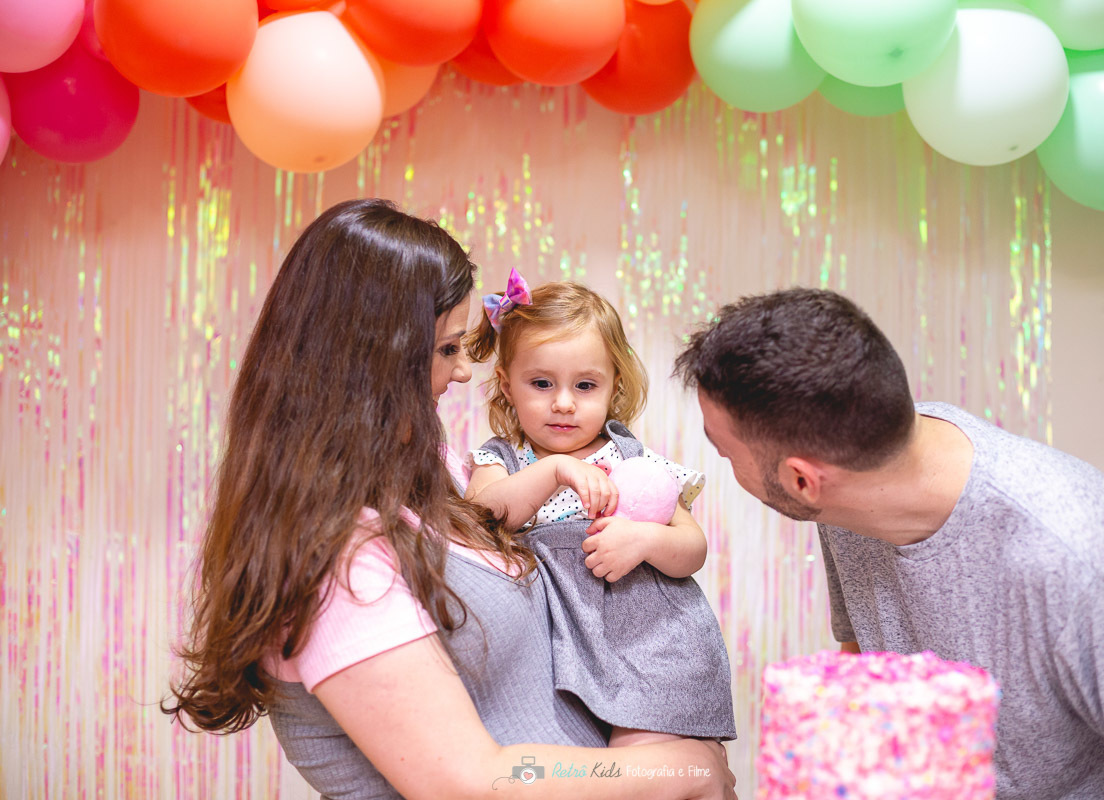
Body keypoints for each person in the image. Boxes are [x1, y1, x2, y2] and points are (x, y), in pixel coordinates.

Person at [162, 199, 735, 800]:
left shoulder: (426, 476)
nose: (464, 373)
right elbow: (471, 783)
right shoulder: (338, 565)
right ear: (374, 359)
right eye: (446, 350)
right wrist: (680, 771)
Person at [674, 286, 1104, 800]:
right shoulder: (852, 487)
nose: (722, 463)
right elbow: (864, 674)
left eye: (723, 452)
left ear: (801, 480)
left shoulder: (1087, 565)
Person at [463, 273, 736, 747]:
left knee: (652, 772)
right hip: (551, 657)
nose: (564, 403)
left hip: (649, 650)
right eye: (541, 383)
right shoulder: (504, 461)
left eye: (585, 385)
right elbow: (477, 520)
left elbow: (693, 547)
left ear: (614, 386)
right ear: (507, 386)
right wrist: (554, 472)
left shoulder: (632, 461)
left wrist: (645, 540)